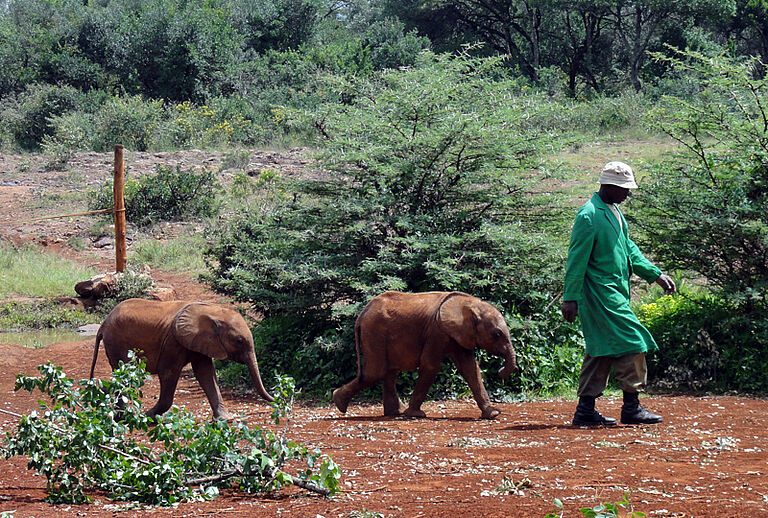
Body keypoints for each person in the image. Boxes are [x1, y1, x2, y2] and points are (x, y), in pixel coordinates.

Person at [562, 161, 676, 426]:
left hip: (614, 291)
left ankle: (586, 411)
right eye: (623, 188)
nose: (628, 194)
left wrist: (654, 274)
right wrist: (571, 298)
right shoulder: (589, 215)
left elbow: (629, 250)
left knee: (602, 349)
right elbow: (576, 260)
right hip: (599, 294)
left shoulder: (613, 211)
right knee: (634, 339)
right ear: (608, 185)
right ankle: (631, 406)